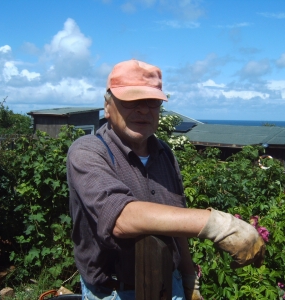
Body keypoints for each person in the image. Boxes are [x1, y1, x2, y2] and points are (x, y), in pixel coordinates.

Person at [67, 59, 265, 300]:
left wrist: (190, 280)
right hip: (115, 292)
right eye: (131, 101)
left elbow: (175, 223)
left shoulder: (164, 154)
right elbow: (119, 218)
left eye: (152, 102)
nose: (143, 109)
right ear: (108, 107)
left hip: (170, 284)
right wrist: (218, 224)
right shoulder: (88, 151)